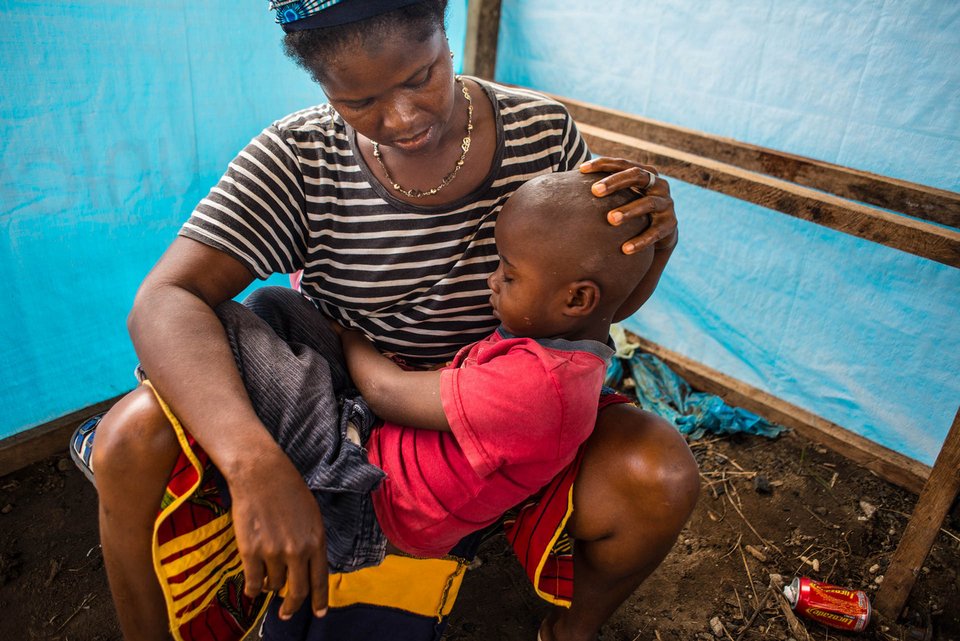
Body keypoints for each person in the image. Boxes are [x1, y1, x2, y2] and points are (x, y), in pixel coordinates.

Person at [78, 2, 700, 640]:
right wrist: (253, 464)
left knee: (659, 472)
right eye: (359, 100)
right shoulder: (299, 158)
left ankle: (571, 631)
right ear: (322, 86)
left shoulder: (541, 132)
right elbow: (163, 298)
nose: (404, 119)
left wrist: (655, 246)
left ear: (445, 31)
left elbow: (590, 311)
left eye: (421, 75)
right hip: (337, 402)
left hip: (497, 408)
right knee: (129, 439)